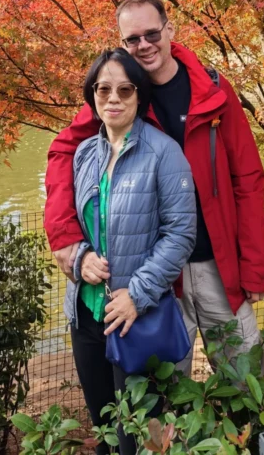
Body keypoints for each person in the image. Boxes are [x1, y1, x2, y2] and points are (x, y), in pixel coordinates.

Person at [46, 0, 264, 376]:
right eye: (132, 39)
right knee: (165, 395)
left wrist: (255, 264)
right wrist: (66, 239)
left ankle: (251, 439)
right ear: (122, 43)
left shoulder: (212, 89)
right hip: (158, 276)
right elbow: (63, 152)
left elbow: (247, 179)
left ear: (170, 30)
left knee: (246, 380)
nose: (144, 45)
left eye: (152, 33)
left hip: (218, 265)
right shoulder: (121, 95)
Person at [65, 47, 196, 455]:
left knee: (139, 438)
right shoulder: (85, 153)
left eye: (125, 89)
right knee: (104, 430)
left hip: (136, 318)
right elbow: (76, 223)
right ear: (92, 96)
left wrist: (136, 295)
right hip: (87, 314)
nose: (113, 98)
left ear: (139, 96)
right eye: (103, 89)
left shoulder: (163, 152)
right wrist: (80, 258)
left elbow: (180, 233)